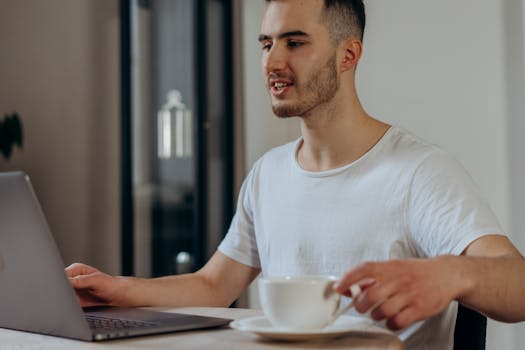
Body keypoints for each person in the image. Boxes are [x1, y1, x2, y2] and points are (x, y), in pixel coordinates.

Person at [67, 0, 525, 348]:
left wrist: (451, 274)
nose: (271, 62)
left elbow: (517, 284)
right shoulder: (268, 174)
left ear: (348, 55)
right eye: (266, 43)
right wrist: (117, 289)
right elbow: (212, 286)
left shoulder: (420, 172)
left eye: (295, 42)